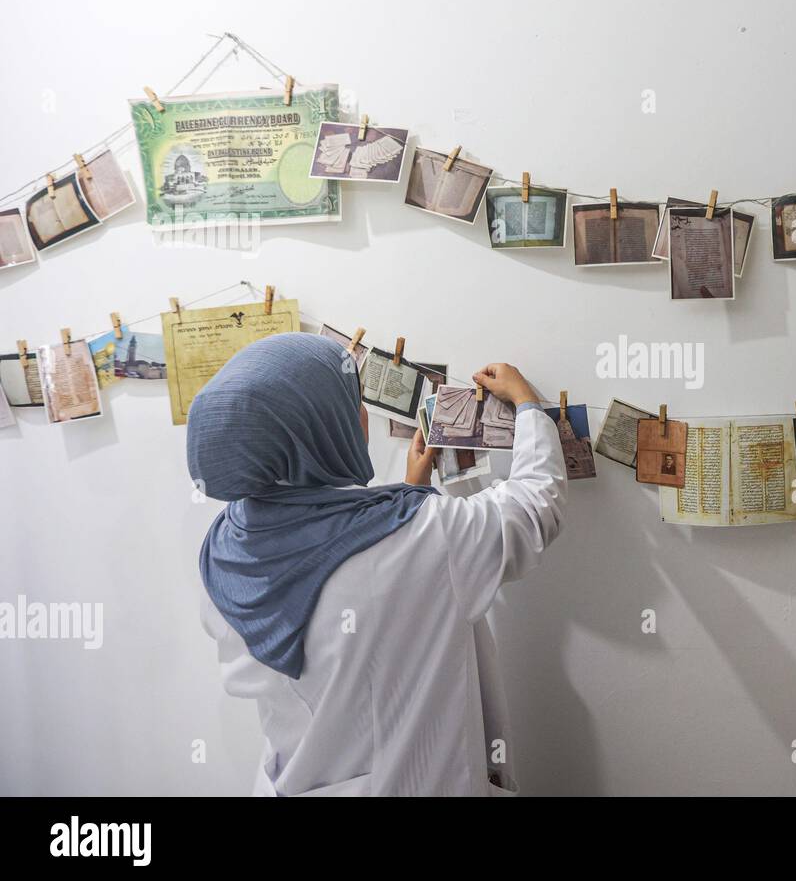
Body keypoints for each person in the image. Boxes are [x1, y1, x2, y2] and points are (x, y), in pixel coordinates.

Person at [186, 333, 566, 796]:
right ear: (322, 428)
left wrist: (407, 491)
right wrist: (528, 405)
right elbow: (532, 511)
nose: (363, 413)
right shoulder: (422, 536)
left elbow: (343, 565)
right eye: (351, 401)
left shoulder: (222, 547)